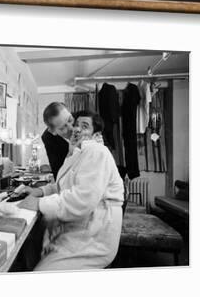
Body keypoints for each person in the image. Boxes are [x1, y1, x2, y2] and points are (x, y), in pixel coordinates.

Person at [18, 110, 124, 270]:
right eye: (76, 125)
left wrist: (39, 204)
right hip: (79, 229)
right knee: (34, 250)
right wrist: (40, 192)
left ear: (95, 133)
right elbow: (64, 186)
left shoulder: (97, 152)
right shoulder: (76, 153)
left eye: (85, 126)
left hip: (93, 236)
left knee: (41, 275)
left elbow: (82, 200)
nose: (76, 129)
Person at [40, 102, 74, 179]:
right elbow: (58, 174)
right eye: (63, 128)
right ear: (53, 132)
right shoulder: (49, 138)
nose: (71, 128)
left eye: (70, 120)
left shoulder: (81, 119)